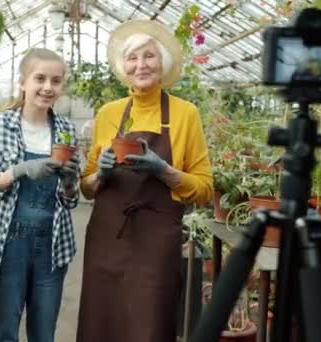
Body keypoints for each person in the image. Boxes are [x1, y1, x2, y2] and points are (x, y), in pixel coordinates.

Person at [76, 20, 213, 342]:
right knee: (101, 321)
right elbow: (86, 186)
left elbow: (205, 188)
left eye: (149, 56)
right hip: (108, 237)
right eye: (133, 58)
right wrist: (102, 174)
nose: (141, 65)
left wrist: (162, 170)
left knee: (148, 322)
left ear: (162, 63)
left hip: (156, 241)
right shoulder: (109, 113)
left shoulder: (185, 113)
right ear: (124, 66)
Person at [0, 48, 79, 342]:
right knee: (4, 331)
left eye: (56, 81)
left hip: (52, 245)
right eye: (39, 78)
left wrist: (69, 180)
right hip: (7, 244)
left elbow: (71, 201)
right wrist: (18, 171)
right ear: (23, 82)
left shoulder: (66, 130)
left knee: (44, 333)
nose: (47, 87)